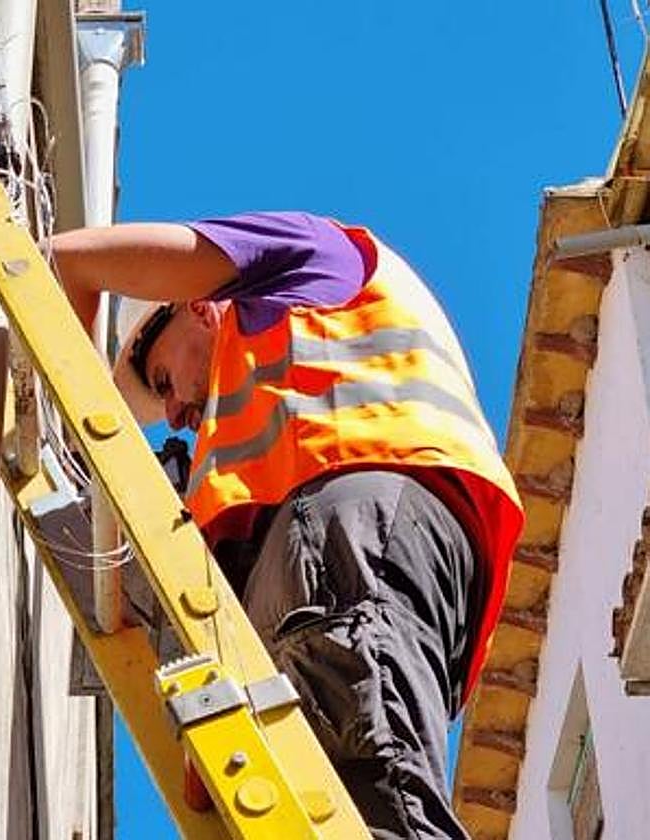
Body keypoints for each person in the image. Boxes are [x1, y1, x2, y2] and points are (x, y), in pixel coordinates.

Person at [50, 212, 524, 840]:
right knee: (350, 798)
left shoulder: (310, 255)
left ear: (197, 307)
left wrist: (76, 430)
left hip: (354, 526)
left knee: (375, 792)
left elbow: (71, 259)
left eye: (163, 379)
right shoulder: (257, 426)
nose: (173, 412)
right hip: (380, 548)